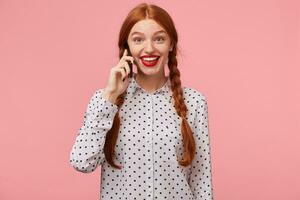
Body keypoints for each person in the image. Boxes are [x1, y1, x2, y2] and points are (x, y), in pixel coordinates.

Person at [69, 3, 214, 200]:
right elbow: (81, 161)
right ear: (127, 46)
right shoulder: (104, 100)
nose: (149, 48)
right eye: (138, 40)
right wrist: (109, 98)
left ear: (171, 44)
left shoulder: (194, 102)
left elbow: (201, 179)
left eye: (159, 39)